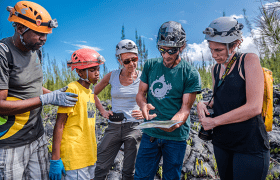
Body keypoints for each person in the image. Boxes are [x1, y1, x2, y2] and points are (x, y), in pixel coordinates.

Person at [0, 1, 78, 179]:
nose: (44, 39)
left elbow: (32, 86)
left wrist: (54, 95)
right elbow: (0, 105)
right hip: (11, 143)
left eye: (46, 34)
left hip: (37, 137)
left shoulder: (36, 50)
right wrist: (46, 100)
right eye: (39, 34)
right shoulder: (3, 54)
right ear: (20, 28)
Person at [197, 16, 270, 180]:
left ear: (235, 44)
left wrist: (214, 122)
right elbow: (221, 98)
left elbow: (254, 107)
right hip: (222, 143)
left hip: (249, 144)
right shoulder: (216, 69)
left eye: (219, 50)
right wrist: (203, 103)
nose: (214, 55)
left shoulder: (248, 60)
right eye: (211, 49)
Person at [134, 21, 201, 179]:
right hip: (150, 134)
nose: (166, 55)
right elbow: (141, 94)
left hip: (175, 137)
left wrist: (175, 123)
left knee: (171, 177)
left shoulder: (190, 73)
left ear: (182, 47)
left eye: (171, 51)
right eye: (162, 49)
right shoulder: (150, 65)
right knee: (141, 176)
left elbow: (185, 109)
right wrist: (143, 105)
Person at [49, 48, 106, 180]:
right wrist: (55, 158)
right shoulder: (73, 89)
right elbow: (59, 124)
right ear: (80, 72)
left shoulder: (89, 91)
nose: (97, 74)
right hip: (75, 155)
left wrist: (104, 111)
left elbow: (93, 98)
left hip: (89, 154)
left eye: (98, 69)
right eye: (92, 70)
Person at [94, 39, 144, 180]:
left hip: (134, 128)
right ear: (119, 60)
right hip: (114, 126)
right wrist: (103, 111)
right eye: (126, 61)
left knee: (129, 171)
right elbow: (91, 93)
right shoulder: (112, 76)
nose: (131, 64)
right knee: (100, 166)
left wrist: (144, 111)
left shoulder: (143, 77)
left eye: (134, 59)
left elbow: (153, 100)